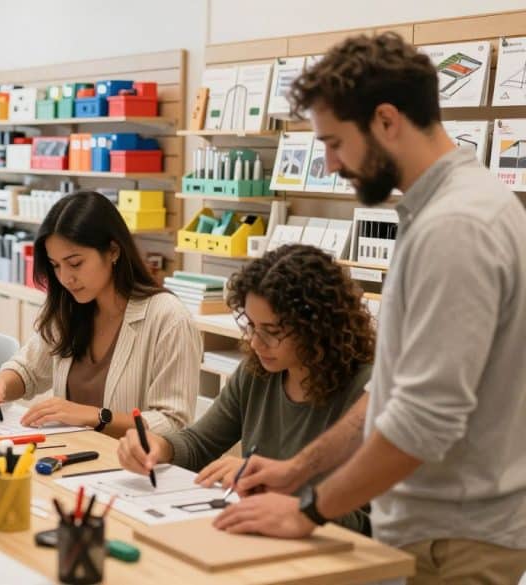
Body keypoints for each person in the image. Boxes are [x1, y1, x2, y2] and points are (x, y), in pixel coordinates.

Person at [214, 33, 526, 584]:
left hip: (454, 540)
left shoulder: (456, 227)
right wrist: (298, 470)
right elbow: (392, 392)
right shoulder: (444, 212)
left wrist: (308, 510)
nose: (331, 163)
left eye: (336, 142)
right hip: (432, 531)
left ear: (386, 120)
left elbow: (424, 418)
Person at [117, 244, 375, 535]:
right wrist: (160, 447)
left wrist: (281, 492)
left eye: (271, 332)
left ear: (318, 327)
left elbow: (367, 522)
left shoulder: (366, 391)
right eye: (251, 325)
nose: (255, 342)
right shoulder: (258, 373)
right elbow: (200, 443)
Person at [0, 191, 200, 436]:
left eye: (75, 263)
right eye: (56, 266)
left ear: (113, 250)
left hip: (127, 459)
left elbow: (173, 424)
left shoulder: (169, 319)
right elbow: (29, 370)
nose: (65, 278)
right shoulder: (69, 307)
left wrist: (95, 417)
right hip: (72, 452)